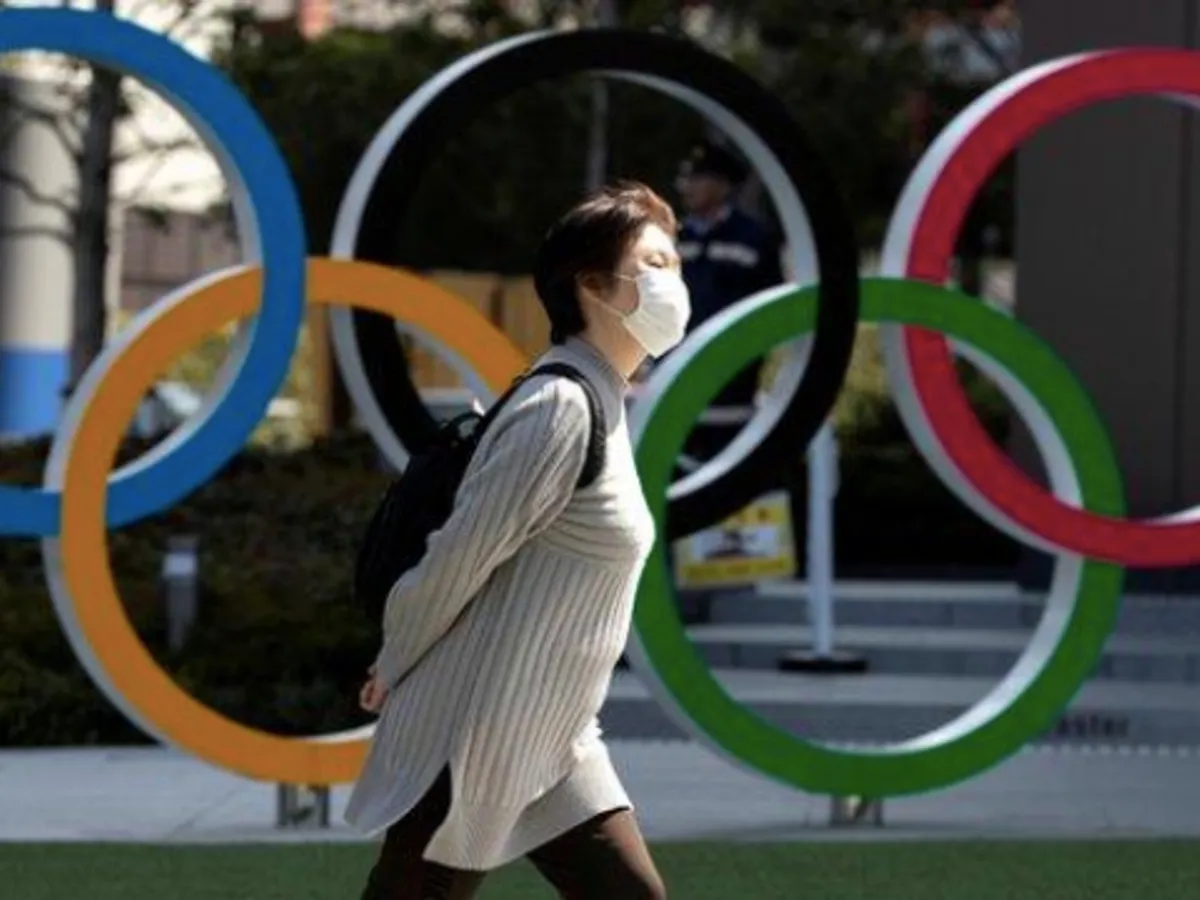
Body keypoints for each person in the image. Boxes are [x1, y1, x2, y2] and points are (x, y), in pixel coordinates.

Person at [348, 181, 687, 900]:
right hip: (473, 729)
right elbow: (456, 559)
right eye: (653, 266)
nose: (674, 283)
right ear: (590, 285)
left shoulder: (605, 401)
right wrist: (395, 657)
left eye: (675, 265)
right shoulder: (559, 408)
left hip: (553, 733)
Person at [673, 139, 784, 467]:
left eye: (697, 178)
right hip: (673, 397)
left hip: (731, 398)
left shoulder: (753, 239)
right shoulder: (671, 239)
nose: (687, 187)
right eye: (685, 178)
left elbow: (771, 313)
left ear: (723, 185)